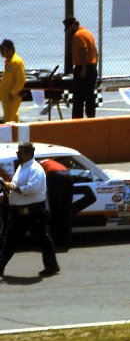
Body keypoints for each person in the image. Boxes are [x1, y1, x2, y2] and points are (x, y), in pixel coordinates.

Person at [0, 142, 60, 278]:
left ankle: (52, 266)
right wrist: (8, 185)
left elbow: (30, 189)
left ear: (28, 153)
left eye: (20, 152)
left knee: (43, 239)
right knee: (9, 241)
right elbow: (16, 185)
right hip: (19, 212)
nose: (18, 155)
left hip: (33, 212)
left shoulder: (35, 169)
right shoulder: (22, 168)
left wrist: (11, 188)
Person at [62, 16, 98, 119]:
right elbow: (95, 51)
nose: (69, 32)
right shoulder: (88, 33)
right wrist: (93, 65)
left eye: (69, 29)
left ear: (73, 25)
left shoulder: (78, 35)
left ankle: (77, 120)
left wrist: (83, 68)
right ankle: (91, 117)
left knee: (78, 97)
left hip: (83, 68)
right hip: (92, 67)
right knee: (90, 95)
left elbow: (84, 51)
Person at [39, 158, 73, 250]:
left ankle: (56, 242)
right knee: (66, 211)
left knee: (56, 211)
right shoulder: (49, 161)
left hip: (55, 176)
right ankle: (66, 242)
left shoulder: (36, 165)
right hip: (67, 175)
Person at [0, 39, 26, 123]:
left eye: (3, 49)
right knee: (14, 119)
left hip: (12, 98)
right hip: (7, 98)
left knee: (8, 121)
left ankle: (6, 136)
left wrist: (13, 92)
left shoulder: (16, 62)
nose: (1, 51)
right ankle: (17, 135)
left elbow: (21, 80)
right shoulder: (9, 61)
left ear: (10, 50)